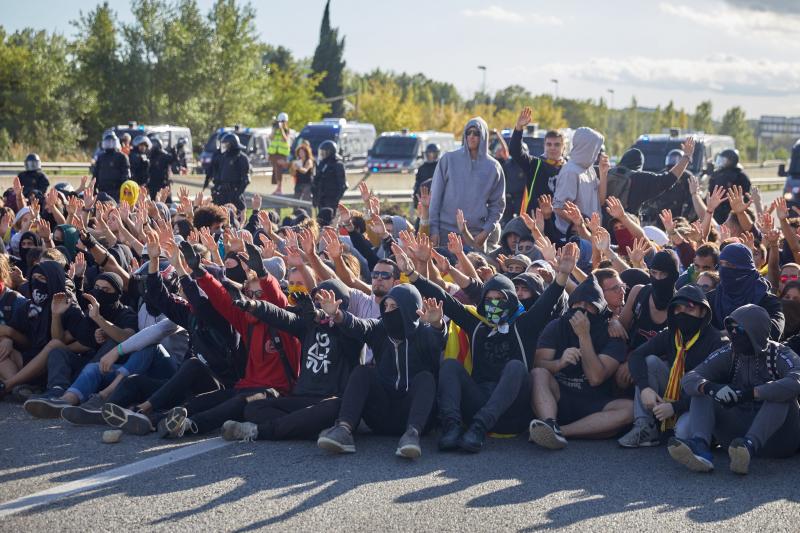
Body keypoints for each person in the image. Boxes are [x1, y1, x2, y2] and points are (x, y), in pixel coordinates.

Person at [408, 242, 578, 452]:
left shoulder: (525, 325)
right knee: (450, 366)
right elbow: (445, 299)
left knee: (516, 366)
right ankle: (451, 427)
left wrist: (562, 274)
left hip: (512, 411)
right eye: (489, 299)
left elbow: (549, 298)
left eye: (500, 299)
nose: (494, 304)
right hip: (479, 399)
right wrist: (411, 273)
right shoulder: (476, 325)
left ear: (512, 301)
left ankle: (479, 428)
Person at [219, 280, 364, 443]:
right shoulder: (307, 326)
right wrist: (254, 306)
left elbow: (346, 337)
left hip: (329, 400)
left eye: (326, 300)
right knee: (254, 408)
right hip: (302, 397)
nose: (320, 304)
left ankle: (259, 431)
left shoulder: (351, 332)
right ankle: (308, 430)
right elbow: (280, 316)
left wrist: (328, 315)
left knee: (335, 407)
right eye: (317, 300)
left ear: (340, 303)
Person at [316, 283, 445, 459]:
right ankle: (344, 430)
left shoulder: (423, 333)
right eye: (386, 306)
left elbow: (437, 341)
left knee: (426, 378)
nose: (388, 310)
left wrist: (437, 324)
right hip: (381, 415)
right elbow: (358, 325)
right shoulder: (379, 328)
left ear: (409, 309)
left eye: (394, 307)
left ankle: (411, 436)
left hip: (415, 416)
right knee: (363, 372)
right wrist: (336, 314)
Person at [669, 304, 800, 474]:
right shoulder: (729, 352)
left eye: (738, 328)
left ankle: (749, 446)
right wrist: (711, 388)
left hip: (780, 439)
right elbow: (690, 378)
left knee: (782, 395)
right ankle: (700, 447)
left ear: (756, 330)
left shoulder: (781, 354)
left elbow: (796, 380)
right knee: (701, 389)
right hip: (735, 438)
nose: (733, 334)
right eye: (730, 328)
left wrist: (752, 393)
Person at [529, 276, 632, 449]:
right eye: (577, 304)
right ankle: (550, 422)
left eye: (588, 305)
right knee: (538, 375)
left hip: (595, 403)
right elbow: (538, 365)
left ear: (598, 309)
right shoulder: (557, 326)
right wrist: (559, 363)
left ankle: (560, 431)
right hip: (559, 397)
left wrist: (584, 336)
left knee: (630, 409)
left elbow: (596, 378)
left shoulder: (612, 334)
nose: (582, 310)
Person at [618, 285, 725, 447]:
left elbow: (712, 389)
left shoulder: (716, 342)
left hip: (698, 400)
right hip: (674, 392)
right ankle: (645, 426)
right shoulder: (671, 334)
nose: (682, 314)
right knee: (651, 361)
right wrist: (645, 387)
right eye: (678, 309)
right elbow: (636, 356)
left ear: (703, 312)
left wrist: (675, 407)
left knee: (682, 433)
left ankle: (707, 436)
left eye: (689, 309)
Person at [428, 117, 505, 251]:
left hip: (476, 234)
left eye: (476, 133)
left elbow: (497, 206)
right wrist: (434, 230)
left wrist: (486, 231)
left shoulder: (494, 167)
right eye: (468, 132)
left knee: (474, 272)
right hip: (446, 231)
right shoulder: (448, 160)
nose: (471, 136)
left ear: (484, 136)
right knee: (445, 271)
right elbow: (435, 198)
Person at [706, 243, 784, 340]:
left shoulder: (767, 300)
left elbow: (775, 329)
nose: (724, 269)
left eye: (730, 265)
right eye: (721, 264)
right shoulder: (711, 298)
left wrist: (734, 333)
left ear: (744, 268)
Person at [606, 139, 695, 218]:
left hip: (601, 227)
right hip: (628, 227)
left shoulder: (605, 173)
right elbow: (668, 180)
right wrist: (686, 157)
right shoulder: (640, 178)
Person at [509, 108, 566, 216]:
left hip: (561, 224)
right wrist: (519, 127)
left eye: (557, 144)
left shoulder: (568, 168)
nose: (552, 148)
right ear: (544, 145)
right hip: (535, 223)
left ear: (564, 147)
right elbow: (515, 151)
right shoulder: (535, 164)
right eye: (549, 144)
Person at [619, 250, 680, 350]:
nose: (657, 278)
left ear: (674, 276)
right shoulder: (638, 292)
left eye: (663, 274)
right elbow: (621, 327)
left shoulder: (680, 306)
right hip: (630, 353)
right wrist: (613, 322)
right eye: (654, 272)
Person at [551, 127, 604, 236]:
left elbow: (601, 201)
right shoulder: (570, 172)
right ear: (586, 147)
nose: (597, 153)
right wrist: (582, 224)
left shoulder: (589, 169)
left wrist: (604, 173)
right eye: (595, 148)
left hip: (591, 234)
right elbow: (558, 208)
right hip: (573, 237)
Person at [708, 148, 751, 224]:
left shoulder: (740, 176)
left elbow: (746, 196)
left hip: (735, 213)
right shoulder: (716, 174)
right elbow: (710, 193)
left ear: (732, 160)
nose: (721, 162)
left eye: (723, 159)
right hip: (717, 211)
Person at [211, 133, 250, 211]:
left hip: (234, 192)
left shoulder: (242, 158)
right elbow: (218, 175)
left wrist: (237, 195)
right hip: (222, 193)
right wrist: (215, 188)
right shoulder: (223, 157)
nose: (223, 147)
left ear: (231, 145)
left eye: (225, 144)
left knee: (237, 216)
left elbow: (246, 179)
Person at [93, 132, 131, 202]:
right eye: (108, 142)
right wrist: (93, 188)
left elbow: (126, 174)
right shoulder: (101, 157)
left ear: (116, 142)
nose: (110, 144)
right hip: (102, 190)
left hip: (117, 191)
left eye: (112, 142)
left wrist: (123, 190)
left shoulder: (122, 157)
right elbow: (95, 174)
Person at [311, 140, 346, 212]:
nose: (322, 154)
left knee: (329, 220)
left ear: (330, 152)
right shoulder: (322, 164)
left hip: (331, 200)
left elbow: (342, 185)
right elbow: (316, 181)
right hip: (321, 199)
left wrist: (336, 200)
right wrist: (315, 198)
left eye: (324, 152)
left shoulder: (338, 164)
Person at [269, 113, 292, 195]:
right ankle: (278, 188)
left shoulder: (287, 130)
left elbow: (285, 139)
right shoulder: (275, 129)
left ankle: (279, 188)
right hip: (274, 153)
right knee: (275, 170)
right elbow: (271, 137)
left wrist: (282, 129)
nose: (280, 123)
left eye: (282, 121)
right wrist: (275, 129)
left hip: (282, 154)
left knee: (278, 170)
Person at [147, 137, 175, 202]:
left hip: (163, 183)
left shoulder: (164, 155)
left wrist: (174, 151)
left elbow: (173, 160)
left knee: (167, 201)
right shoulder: (150, 156)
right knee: (154, 201)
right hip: (153, 184)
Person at [413, 143, 440, 208]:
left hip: (436, 197)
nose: (430, 155)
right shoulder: (422, 168)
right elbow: (417, 184)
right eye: (429, 153)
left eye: (433, 153)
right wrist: (416, 199)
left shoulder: (440, 166)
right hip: (423, 197)